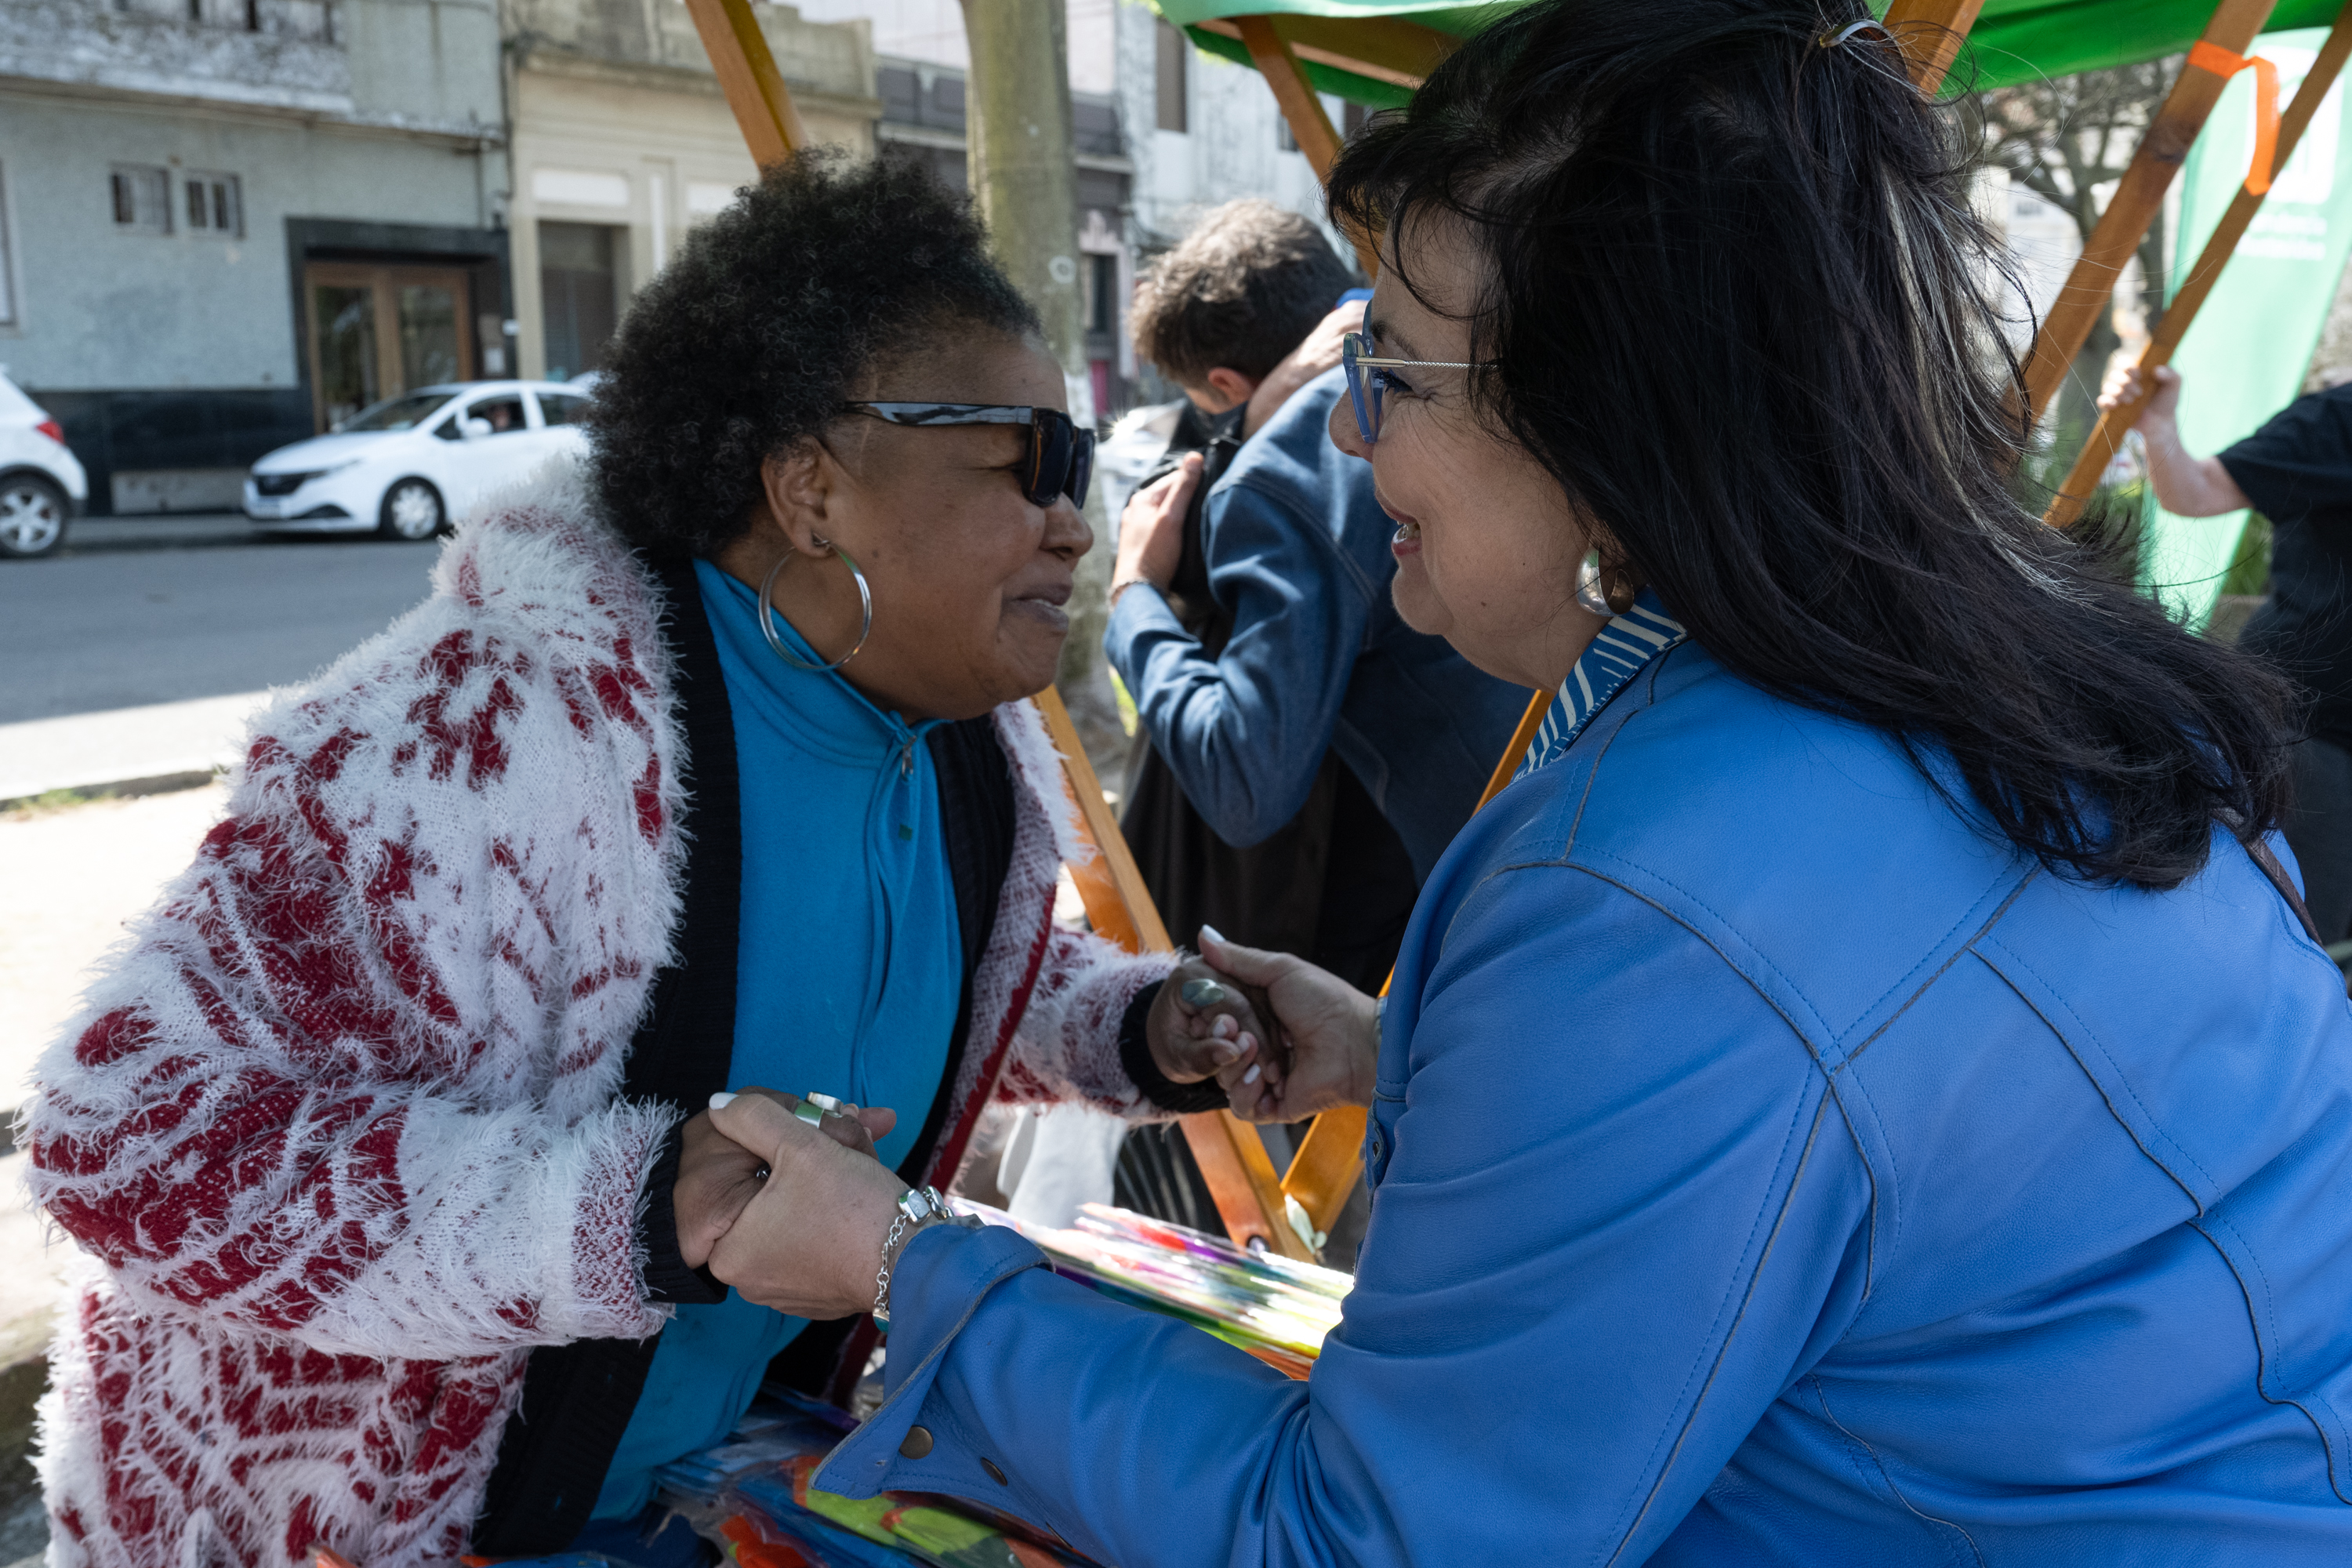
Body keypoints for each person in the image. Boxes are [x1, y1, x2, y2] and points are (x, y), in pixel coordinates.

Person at [693, 4, 2352, 1561]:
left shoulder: (1645, 893)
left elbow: (1371, 1534)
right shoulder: (2021, 676)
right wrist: (1415, 1053)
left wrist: (904, 1257)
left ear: (1613, 422)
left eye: (1395, 375)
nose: (1350, 439)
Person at [24, 154, 1272, 1568]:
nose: (1076, 515)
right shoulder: (484, 741)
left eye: (1083, 461)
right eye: (1028, 458)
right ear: (813, 487)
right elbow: (117, 1134)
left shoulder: (975, 746)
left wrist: (1145, 1027)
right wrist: (619, 1212)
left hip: (703, 1498)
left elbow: (948, 978)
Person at [1106, 202, 1523, 1243]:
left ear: (1223, 388)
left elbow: (1248, 778)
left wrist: (1131, 604)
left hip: (1487, 911)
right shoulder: (1434, 371)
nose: (1357, 430)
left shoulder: (1293, 468)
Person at [2100, 360, 2352, 940]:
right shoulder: (2337, 418)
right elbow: (2196, 490)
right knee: (2304, 936)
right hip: (2317, 728)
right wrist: (2157, 425)